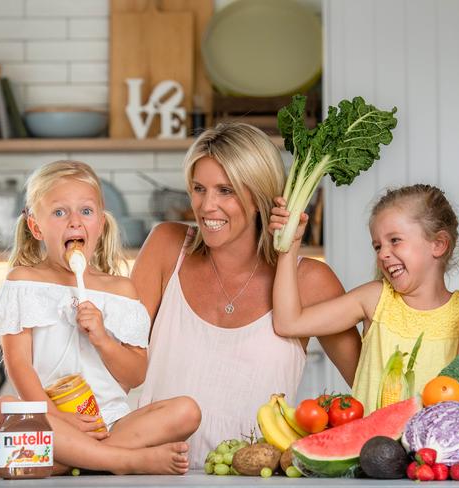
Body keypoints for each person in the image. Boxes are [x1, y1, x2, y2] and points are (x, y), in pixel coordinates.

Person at [131, 122, 361, 468]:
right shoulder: (167, 246)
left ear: (260, 197)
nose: (207, 206)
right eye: (198, 188)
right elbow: (115, 363)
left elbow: (368, 385)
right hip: (144, 474)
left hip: (252, 479)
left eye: (226, 190)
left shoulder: (310, 281)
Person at [0, 160, 200, 475]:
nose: (74, 222)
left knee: (187, 411)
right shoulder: (22, 282)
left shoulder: (122, 290)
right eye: (59, 212)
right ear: (36, 226)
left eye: (86, 211)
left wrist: (102, 338)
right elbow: (19, 366)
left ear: (100, 223)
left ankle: (64, 460)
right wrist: (58, 418)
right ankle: (121, 460)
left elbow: (136, 374)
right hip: (47, 419)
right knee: (0, 410)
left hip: (110, 423)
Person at [271, 184, 459, 413]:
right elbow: (288, 322)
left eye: (395, 240)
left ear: (438, 244)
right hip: (368, 447)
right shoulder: (376, 298)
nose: (383, 254)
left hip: (437, 448)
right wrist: (290, 247)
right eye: (377, 246)